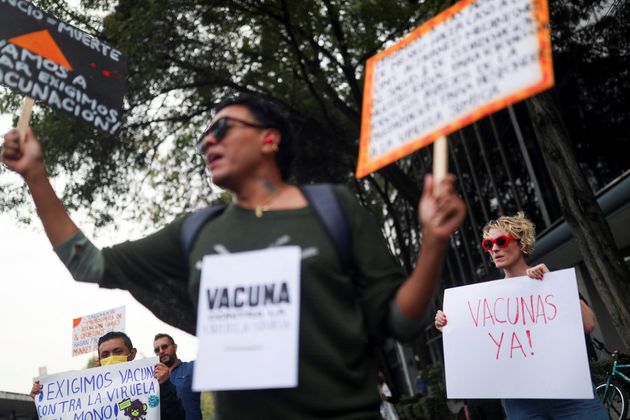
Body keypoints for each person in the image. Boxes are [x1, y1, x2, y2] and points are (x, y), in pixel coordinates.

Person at [3, 93, 466, 419]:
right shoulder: (195, 231)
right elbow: (88, 264)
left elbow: (403, 320)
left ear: (270, 139)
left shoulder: (334, 209)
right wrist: (36, 177)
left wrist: (433, 241)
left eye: (223, 128)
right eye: (205, 135)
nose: (208, 141)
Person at [434, 212, 607, 420]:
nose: (495, 248)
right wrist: (450, 325)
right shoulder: (483, 300)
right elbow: (477, 350)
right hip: (521, 404)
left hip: (571, 394)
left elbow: (588, 324)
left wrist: (554, 286)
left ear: (522, 243)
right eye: (488, 244)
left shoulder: (549, 281)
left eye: (501, 241)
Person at [29, 331, 185, 420]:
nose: (111, 357)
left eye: (117, 352)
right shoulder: (85, 395)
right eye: (105, 354)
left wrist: (164, 387)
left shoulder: (154, 384)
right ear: (99, 360)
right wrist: (43, 403)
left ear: (132, 354)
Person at [153, 333, 201, 420]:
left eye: (164, 347)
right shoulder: (153, 378)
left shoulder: (192, 368)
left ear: (175, 347)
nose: (161, 351)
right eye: (157, 350)